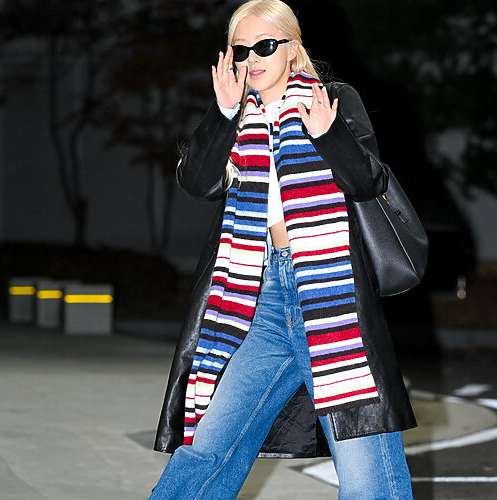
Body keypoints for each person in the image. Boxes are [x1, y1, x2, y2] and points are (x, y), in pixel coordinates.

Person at [150, 1, 416, 498]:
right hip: (260, 299)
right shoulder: (236, 115)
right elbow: (198, 183)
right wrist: (222, 112)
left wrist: (328, 134)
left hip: (331, 294)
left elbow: (367, 182)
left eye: (265, 45)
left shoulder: (331, 100)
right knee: (208, 448)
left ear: (292, 49)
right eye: (241, 49)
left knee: (366, 471)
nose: (252, 58)